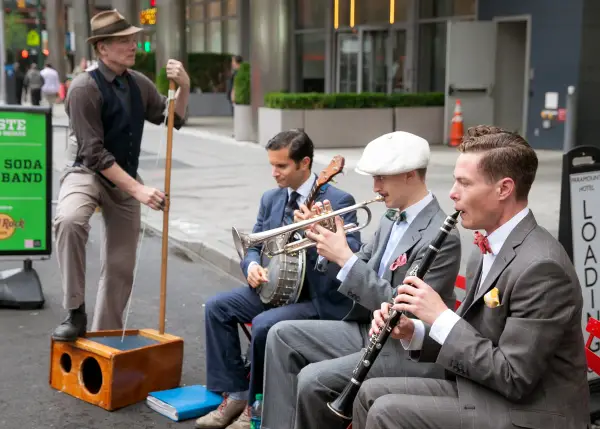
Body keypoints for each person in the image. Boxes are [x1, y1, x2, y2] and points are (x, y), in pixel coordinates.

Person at [355, 125, 590, 429]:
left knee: (386, 411)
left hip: (533, 412)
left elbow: (514, 377)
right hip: (487, 390)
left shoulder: (543, 268)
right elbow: (477, 341)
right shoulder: (484, 249)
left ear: (503, 189)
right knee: (368, 393)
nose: (452, 193)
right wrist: (415, 331)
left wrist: (440, 317)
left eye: (464, 183)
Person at [259, 131, 462, 429]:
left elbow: (403, 311)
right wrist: (327, 240)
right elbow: (362, 265)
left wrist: (344, 257)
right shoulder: (389, 217)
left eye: (381, 177)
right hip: (366, 327)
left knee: (312, 380)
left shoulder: (442, 237)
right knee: (280, 335)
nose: (375, 187)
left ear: (408, 175)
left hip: (401, 345)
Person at [194, 129, 362, 429]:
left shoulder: (337, 199)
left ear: (305, 163)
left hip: (315, 298)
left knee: (264, 326)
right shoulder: (271, 199)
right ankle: (236, 392)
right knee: (216, 307)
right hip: (273, 290)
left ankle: (256, 406)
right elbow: (254, 245)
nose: (274, 173)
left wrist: (319, 232)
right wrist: (252, 266)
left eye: (281, 166)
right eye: (271, 165)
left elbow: (353, 257)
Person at [51, 9, 191, 342]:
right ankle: (75, 311)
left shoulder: (138, 84)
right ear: (102, 49)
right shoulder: (84, 88)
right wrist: (140, 191)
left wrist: (184, 86)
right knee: (69, 220)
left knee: (120, 268)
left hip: (124, 176)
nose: (133, 46)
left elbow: (172, 120)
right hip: (86, 172)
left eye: (133, 39)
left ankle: (104, 337)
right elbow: (94, 154)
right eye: (124, 41)